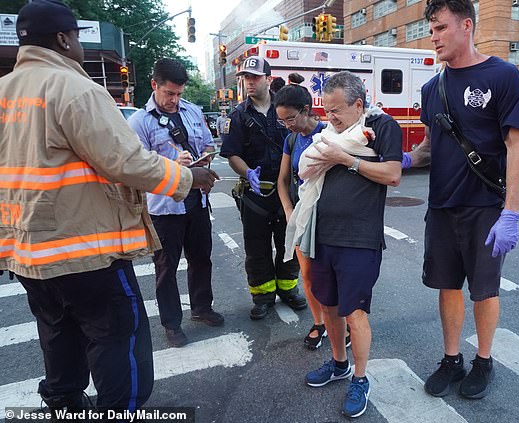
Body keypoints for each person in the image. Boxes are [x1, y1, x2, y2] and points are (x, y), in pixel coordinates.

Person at [0, 0, 217, 413]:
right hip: (85, 250)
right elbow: (127, 161)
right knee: (119, 338)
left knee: (57, 333)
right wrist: (189, 179)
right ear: (64, 39)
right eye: (78, 36)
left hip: (26, 252)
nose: (79, 44)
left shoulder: (4, 92)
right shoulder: (75, 89)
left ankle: (64, 404)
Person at [403, 0, 519, 400]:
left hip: (485, 208)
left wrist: (511, 212)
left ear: (466, 26)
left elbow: (517, 147)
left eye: (441, 28)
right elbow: (429, 146)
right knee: (446, 287)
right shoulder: (431, 88)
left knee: (485, 290)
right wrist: (402, 160)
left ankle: (484, 360)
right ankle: (452, 358)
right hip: (441, 207)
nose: (433, 36)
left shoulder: (504, 76)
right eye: (432, 29)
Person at [302, 71, 402, 418]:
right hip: (323, 234)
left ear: (358, 105)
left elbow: (392, 174)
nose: (330, 118)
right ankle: (339, 364)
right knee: (328, 306)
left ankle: (360, 378)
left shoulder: (383, 127)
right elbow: (308, 167)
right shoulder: (329, 134)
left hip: (359, 238)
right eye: (326, 110)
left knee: (354, 312)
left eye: (337, 111)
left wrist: (347, 160)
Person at [128, 58, 223, 348]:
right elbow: (137, 165)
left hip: (197, 199)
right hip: (165, 207)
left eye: (179, 93)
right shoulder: (139, 122)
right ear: (154, 85)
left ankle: (201, 307)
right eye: (169, 93)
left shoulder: (192, 111)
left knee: (201, 258)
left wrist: (204, 156)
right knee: (166, 268)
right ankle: (171, 323)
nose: (174, 100)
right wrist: (172, 163)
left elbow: (208, 142)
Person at [220, 57, 307, 319]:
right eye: (246, 77)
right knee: (256, 247)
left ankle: (288, 289)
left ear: (268, 79)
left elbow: (303, 137)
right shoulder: (238, 115)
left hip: (287, 191)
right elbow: (232, 153)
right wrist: (246, 171)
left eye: (255, 77)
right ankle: (262, 295)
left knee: (288, 243)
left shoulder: (286, 106)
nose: (249, 82)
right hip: (255, 193)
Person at [275, 73, 352, 350]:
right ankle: (319, 323)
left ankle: (343, 326)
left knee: (332, 276)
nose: (287, 125)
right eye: (281, 121)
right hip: (301, 215)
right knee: (307, 274)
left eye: (291, 119)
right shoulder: (291, 140)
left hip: (328, 217)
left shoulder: (328, 133)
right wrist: (288, 210)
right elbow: (283, 180)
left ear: (306, 111)